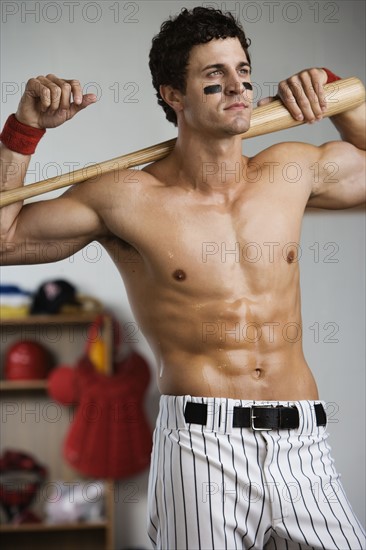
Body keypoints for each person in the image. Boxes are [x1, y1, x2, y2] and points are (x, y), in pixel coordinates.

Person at [1, 6, 365, 550]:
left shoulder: (291, 170)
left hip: (301, 441)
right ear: (173, 95)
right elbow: (4, 241)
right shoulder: (125, 198)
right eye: (213, 76)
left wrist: (340, 99)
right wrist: (25, 128)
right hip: (201, 445)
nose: (238, 86)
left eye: (243, 70)